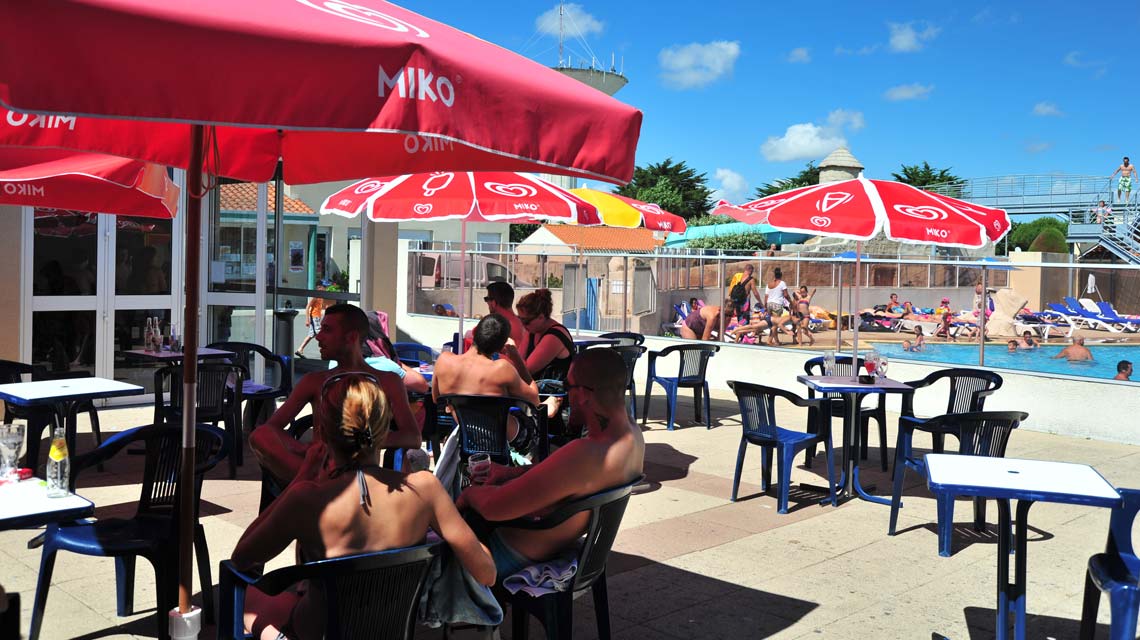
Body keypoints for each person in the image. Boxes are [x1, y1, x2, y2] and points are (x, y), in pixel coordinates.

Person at [233, 374, 495, 640]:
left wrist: (301, 477)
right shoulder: (424, 489)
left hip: (320, 631)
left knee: (247, 598)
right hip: (390, 631)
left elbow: (241, 559)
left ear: (323, 431)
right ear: (385, 429)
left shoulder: (306, 498)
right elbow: (487, 573)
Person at [457, 348, 644, 578]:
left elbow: (494, 508)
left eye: (568, 387)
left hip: (513, 554)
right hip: (562, 546)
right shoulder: (632, 436)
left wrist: (468, 495)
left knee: (443, 545)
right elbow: (559, 478)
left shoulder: (585, 455)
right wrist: (507, 473)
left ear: (584, 394)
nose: (566, 396)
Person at [250, 304, 422, 484]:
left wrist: (350, 443)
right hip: (320, 470)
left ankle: (311, 490)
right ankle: (315, 486)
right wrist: (303, 448)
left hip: (362, 474)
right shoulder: (314, 381)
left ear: (351, 337)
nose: (318, 336)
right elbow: (271, 428)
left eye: (327, 330)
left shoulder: (387, 380)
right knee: (259, 436)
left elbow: (413, 437)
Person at [432, 314, 540, 444]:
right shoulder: (502, 369)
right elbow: (535, 401)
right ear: (501, 347)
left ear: (474, 332)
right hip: (504, 440)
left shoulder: (444, 361)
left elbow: (436, 398)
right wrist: (516, 357)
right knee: (538, 415)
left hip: (468, 438)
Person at [295, 280, 333, 358]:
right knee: (321, 333)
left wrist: (326, 308)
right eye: (324, 287)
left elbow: (320, 307)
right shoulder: (315, 296)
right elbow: (308, 307)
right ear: (319, 287)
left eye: (326, 287)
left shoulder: (321, 297)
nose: (325, 289)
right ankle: (329, 349)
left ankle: (300, 349)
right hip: (314, 317)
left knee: (311, 334)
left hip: (317, 317)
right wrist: (307, 319)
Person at [485, 282, 526, 350]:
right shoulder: (517, 322)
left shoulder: (508, 325)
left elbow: (518, 356)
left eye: (487, 299)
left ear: (494, 302)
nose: (487, 303)